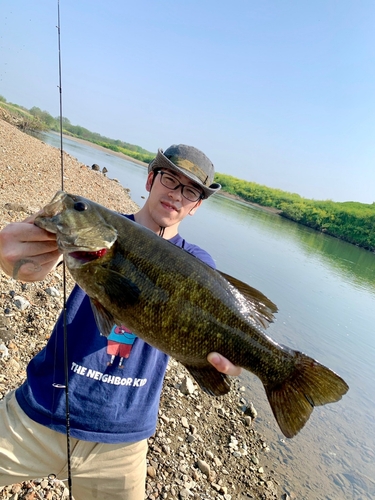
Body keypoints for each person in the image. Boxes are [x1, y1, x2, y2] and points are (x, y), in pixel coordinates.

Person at [0, 144, 241, 500]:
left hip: (122, 446)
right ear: (150, 180)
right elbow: (31, 267)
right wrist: (16, 258)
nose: (176, 194)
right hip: (40, 411)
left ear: (196, 206)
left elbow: (211, 323)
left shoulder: (197, 263)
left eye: (190, 190)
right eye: (170, 179)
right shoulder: (97, 228)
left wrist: (227, 355)